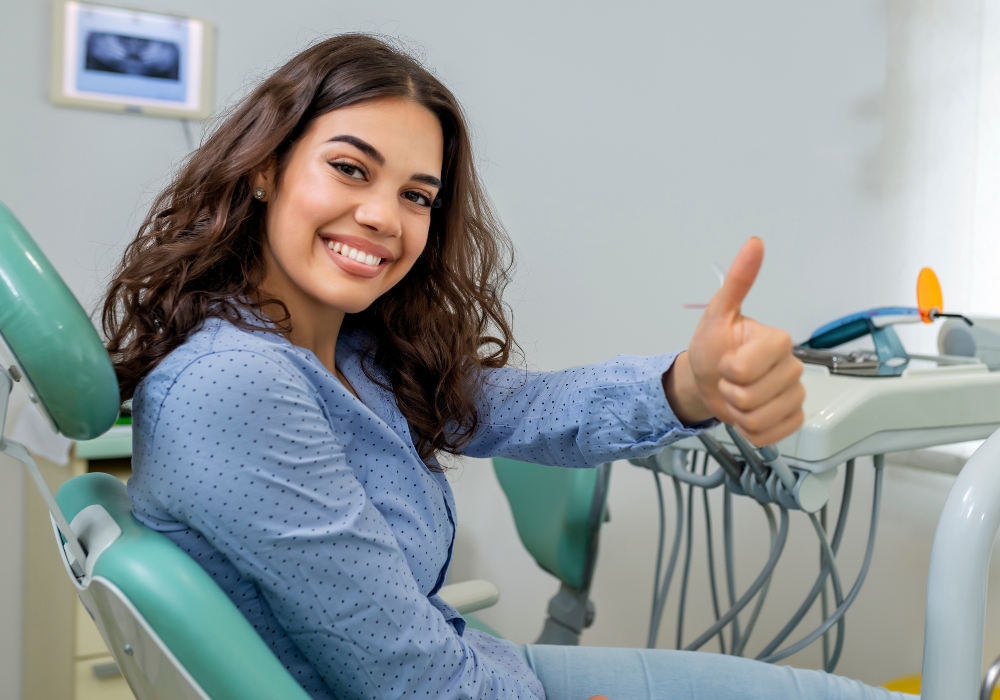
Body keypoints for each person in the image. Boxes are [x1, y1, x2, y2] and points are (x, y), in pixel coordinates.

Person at [102, 34, 913, 700]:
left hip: (483, 670)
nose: (384, 216)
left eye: (418, 195)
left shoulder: (352, 354)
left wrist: (687, 386)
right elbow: (411, 680)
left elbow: (527, 409)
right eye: (350, 169)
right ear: (265, 167)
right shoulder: (236, 383)